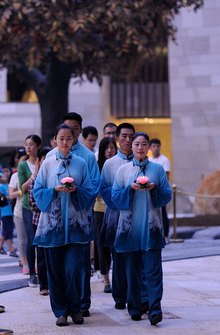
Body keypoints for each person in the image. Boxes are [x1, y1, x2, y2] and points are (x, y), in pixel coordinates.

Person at [32, 124, 95, 326]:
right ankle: (60, 311)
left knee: (74, 269)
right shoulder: (48, 163)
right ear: (55, 140)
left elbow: (89, 190)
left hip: (76, 227)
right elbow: (38, 190)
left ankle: (76, 308)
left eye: (69, 138)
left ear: (74, 139)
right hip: (52, 228)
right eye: (61, 138)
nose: (65, 142)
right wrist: (55, 190)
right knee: (55, 272)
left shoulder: (81, 163)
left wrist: (76, 191)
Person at [111, 132, 172, 326]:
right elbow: (115, 196)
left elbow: (166, 194)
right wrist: (129, 188)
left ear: (148, 147)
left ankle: (155, 309)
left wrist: (154, 188)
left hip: (151, 228)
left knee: (154, 271)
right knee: (132, 271)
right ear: (131, 147)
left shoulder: (157, 169)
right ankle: (135, 307)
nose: (140, 147)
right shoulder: (123, 171)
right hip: (129, 231)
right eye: (136, 144)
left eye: (144, 144)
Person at [47, 112, 100, 317]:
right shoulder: (51, 157)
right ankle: (62, 307)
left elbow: (93, 185)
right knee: (59, 265)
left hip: (79, 216)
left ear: (79, 130)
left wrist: (78, 195)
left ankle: (81, 302)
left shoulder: (86, 157)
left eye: (74, 130)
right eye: (64, 131)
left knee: (79, 264)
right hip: (56, 219)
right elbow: (40, 186)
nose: (68, 136)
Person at [99, 122, 143, 310]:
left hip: (137, 215)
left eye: (131, 136)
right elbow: (105, 190)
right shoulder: (110, 164)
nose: (127, 140)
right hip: (116, 215)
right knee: (118, 256)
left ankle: (137, 294)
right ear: (116, 138)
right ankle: (119, 295)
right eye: (124, 136)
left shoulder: (141, 161)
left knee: (137, 256)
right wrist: (124, 198)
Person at [18, 134, 42, 287]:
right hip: (28, 206)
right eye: (26, 144)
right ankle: (32, 273)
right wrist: (35, 173)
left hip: (42, 206)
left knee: (41, 239)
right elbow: (23, 188)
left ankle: (42, 271)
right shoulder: (22, 165)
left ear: (38, 146)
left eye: (31, 144)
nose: (28, 147)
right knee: (31, 238)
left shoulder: (44, 161)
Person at [27, 146, 52, 296]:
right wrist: (50, 201)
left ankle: (54, 283)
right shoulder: (34, 180)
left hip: (56, 221)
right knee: (41, 255)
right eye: (44, 159)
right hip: (39, 221)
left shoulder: (56, 178)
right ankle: (43, 285)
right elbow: (32, 203)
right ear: (40, 161)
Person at [94, 137, 117, 293]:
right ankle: (106, 279)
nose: (109, 151)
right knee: (102, 246)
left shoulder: (119, 166)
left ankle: (119, 278)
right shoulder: (96, 167)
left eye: (112, 147)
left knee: (117, 245)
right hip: (100, 210)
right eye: (106, 148)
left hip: (116, 210)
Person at [9, 149, 28, 273]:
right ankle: (24, 261)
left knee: (33, 239)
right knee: (22, 239)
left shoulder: (33, 172)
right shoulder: (15, 175)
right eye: (22, 160)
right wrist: (22, 190)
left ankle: (33, 261)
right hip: (20, 211)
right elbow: (11, 195)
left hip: (33, 210)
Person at [149, 138, 171, 241]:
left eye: (157, 146)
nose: (156, 148)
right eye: (154, 146)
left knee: (163, 212)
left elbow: (166, 177)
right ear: (150, 148)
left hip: (160, 190)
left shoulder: (164, 160)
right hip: (150, 191)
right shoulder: (149, 160)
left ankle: (165, 234)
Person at [0, 166, 18, 257]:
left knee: (6, 229)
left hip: (11, 211)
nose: (6, 174)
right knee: (8, 230)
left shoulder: (11, 184)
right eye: (3, 172)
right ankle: (11, 248)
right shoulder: (0, 186)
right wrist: (10, 196)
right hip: (5, 211)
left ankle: (0, 246)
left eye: (7, 171)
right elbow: (1, 198)